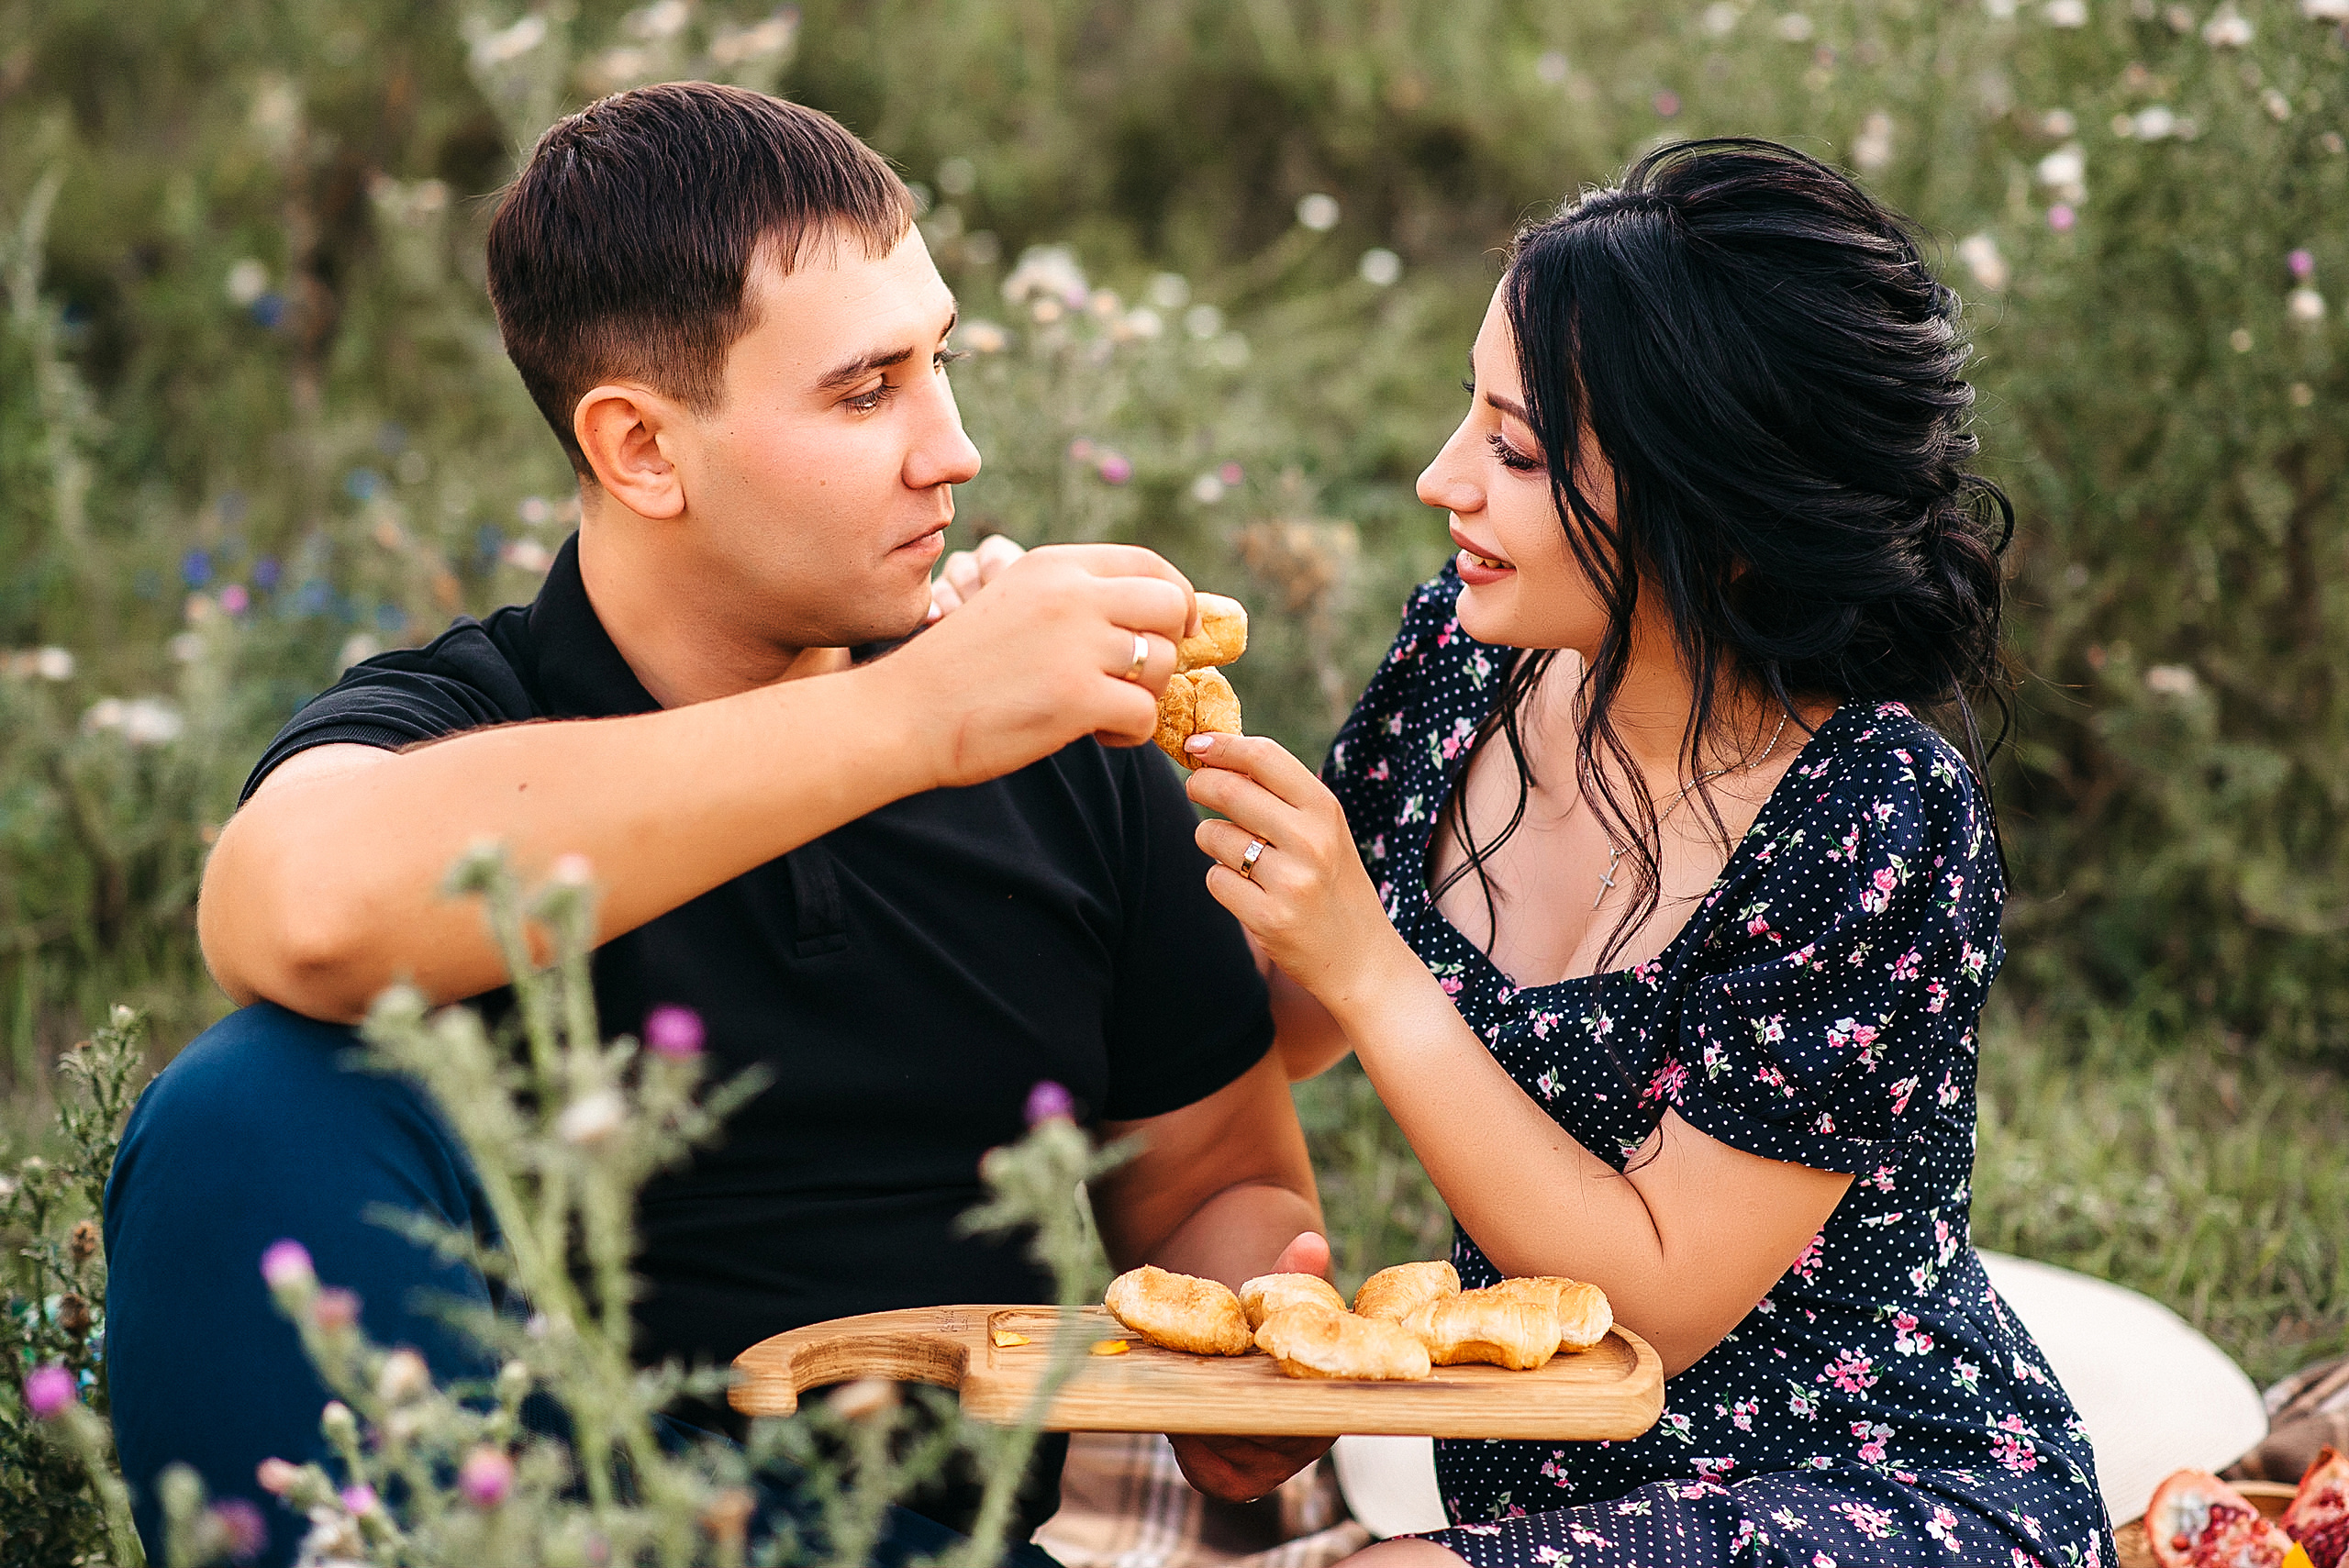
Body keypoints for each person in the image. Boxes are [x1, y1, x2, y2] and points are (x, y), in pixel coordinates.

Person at [103, 83, 1326, 1568]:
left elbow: (1216, 1174)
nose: (954, 449)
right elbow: (286, 908)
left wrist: (1256, 1341)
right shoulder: (464, 720)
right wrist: (912, 721)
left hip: (924, 1539)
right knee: (245, 1108)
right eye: (867, 391)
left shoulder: (1061, 745)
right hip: (532, 1506)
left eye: (938, 362)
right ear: (639, 449)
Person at [1176, 140, 2114, 1566]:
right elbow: (1287, 1020)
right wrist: (1098, 770)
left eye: (1515, 450)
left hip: (1883, 1491)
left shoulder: (1872, 815)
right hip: (1558, 1510)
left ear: (1717, 513)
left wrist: (1372, 966)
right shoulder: (1461, 662)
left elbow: (1660, 1299)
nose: (1443, 481)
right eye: (1467, 417)